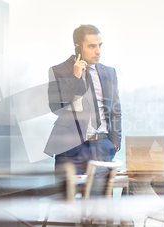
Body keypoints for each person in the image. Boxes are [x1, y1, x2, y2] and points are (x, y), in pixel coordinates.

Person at [44, 24, 122, 177]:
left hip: (102, 147)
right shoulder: (58, 71)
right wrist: (75, 77)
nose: (98, 51)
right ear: (78, 47)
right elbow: (56, 107)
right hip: (70, 149)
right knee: (66, 198)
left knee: (102, 199)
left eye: (100, 45)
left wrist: (114, 143)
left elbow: (115, 110)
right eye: (92, 46)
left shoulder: (109, 72)